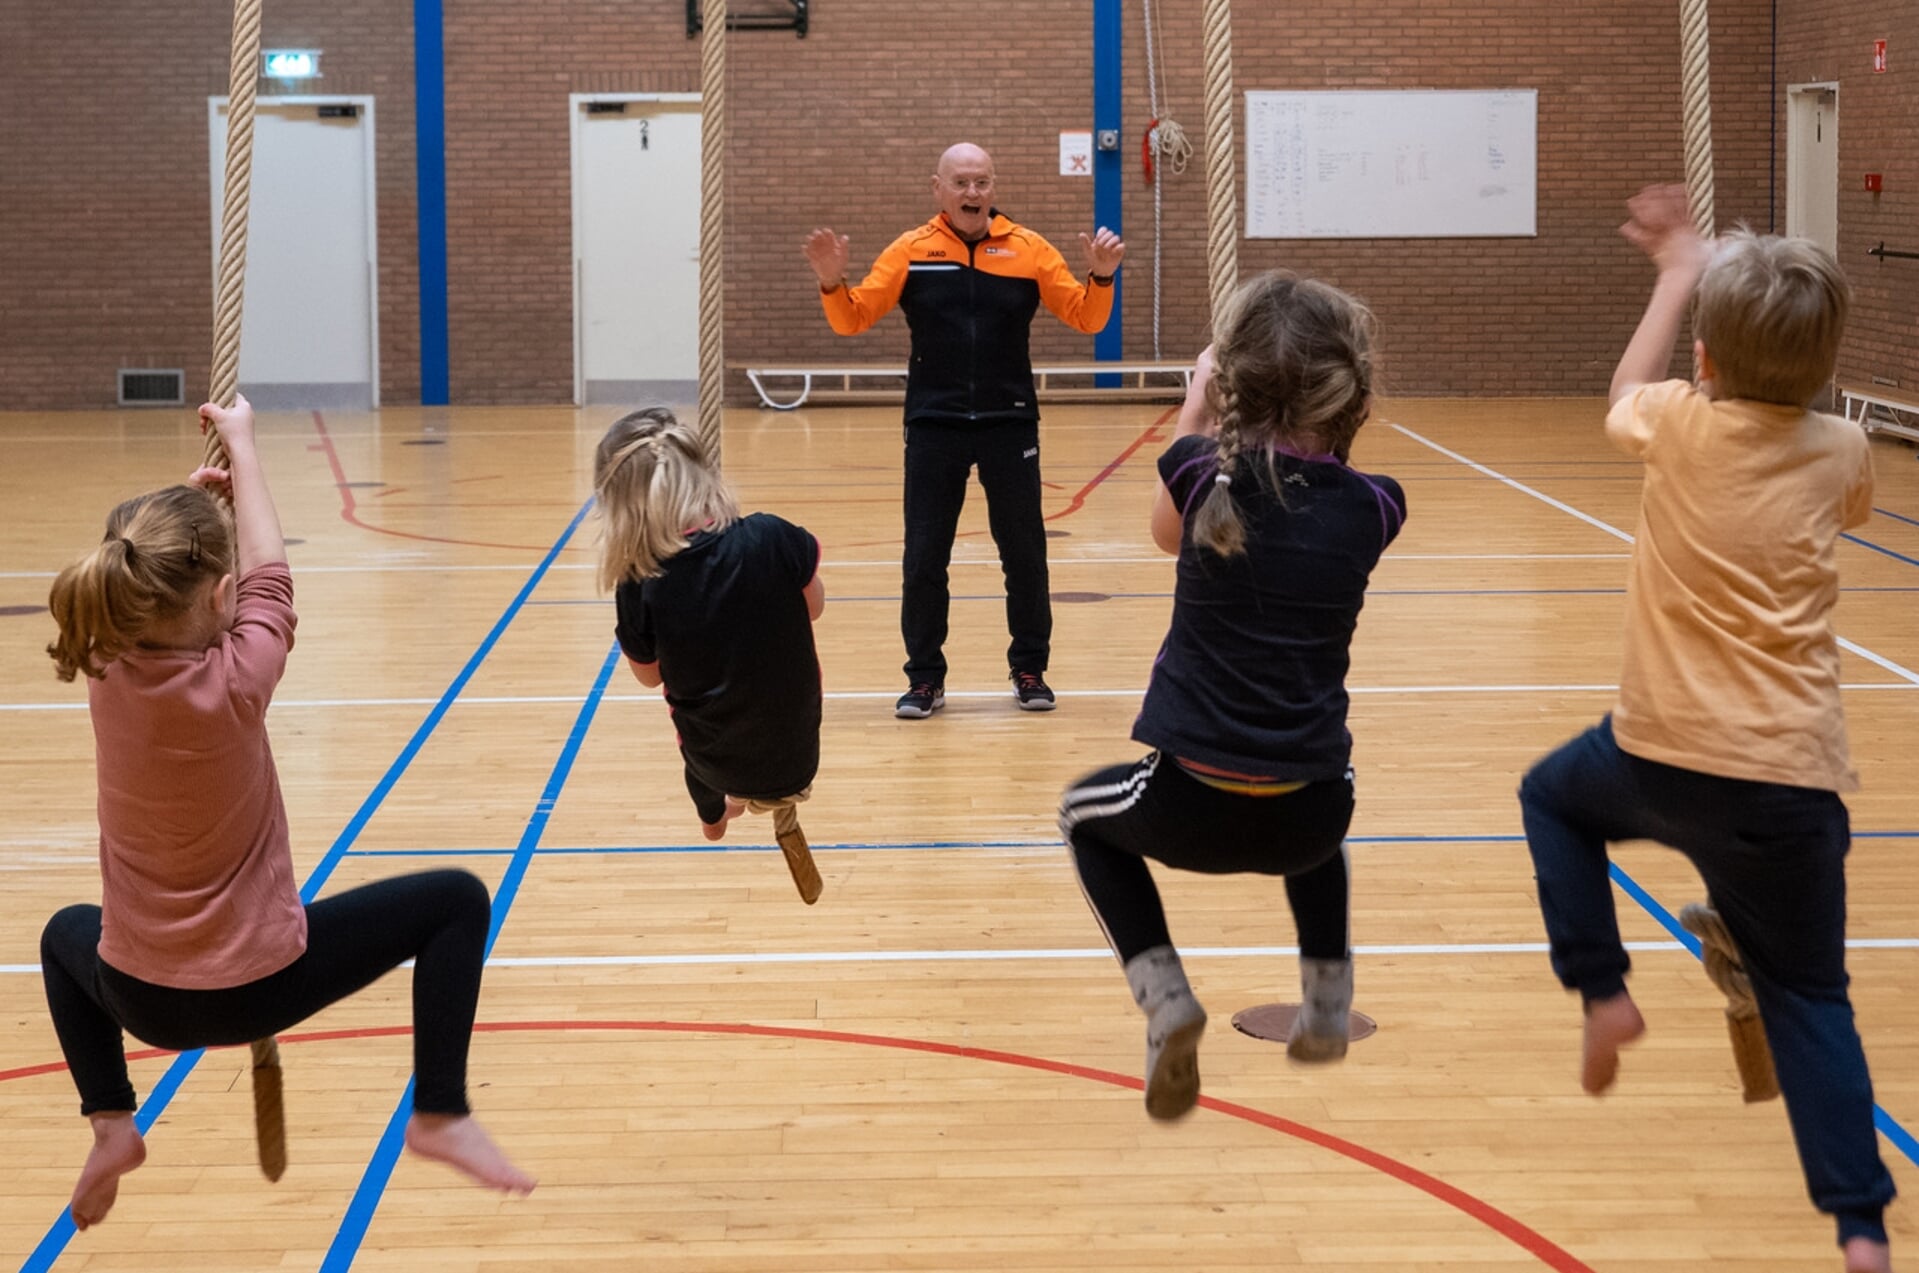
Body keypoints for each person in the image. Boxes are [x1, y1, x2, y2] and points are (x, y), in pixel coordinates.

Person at [39, 394, 534, 1232]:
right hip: (259, 989)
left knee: (62, 933)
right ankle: (440, 1109)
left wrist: (192, 513)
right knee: (455, 900)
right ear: (222, 595)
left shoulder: (102, 659)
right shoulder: (237, 681)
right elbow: (272, 576)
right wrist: (244, 442)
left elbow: (167, 574)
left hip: (138, 996)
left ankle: (112, 1118)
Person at [1516, 184, 1893, 1273]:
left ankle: (1600, 988)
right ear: (1821, 366)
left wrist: (1676, 268)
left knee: (1550, 797)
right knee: (1809, 996)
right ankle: (1859, 1227)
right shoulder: (1837, 451)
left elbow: (1623, 390)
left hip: (1654, 755)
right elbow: (1843, 489)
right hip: (1784, 779)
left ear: (1708, 363)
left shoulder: (1677, 420)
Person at [1057, 271, 1406, 1120]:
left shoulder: (1196, 473)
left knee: (1082, 816)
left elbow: (1164, 530)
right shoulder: (1376, 506)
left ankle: (1165, 997)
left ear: (1233, 385)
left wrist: (1195, 409)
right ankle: (1326, 998)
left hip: (1189, 802)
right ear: (1349, 391)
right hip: (1308, 812)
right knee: (1327, 802)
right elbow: (1315, 490)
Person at [803, 141, 1125, 718]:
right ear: (939, 188)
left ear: (993, 188)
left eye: (982, 182)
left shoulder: (1028, 249)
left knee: (1024, 555)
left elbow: (1085, 316)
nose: (972, 193)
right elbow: (852, 319)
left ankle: (1030, 669)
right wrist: (832, 282)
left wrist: (1100, 277)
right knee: (925, 556)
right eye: (961, 183)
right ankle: (924, 678)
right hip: (935, 423)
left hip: (1009, 422)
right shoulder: (911, 251)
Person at [594, 407, 825, 840]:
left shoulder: (640, 579)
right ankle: (740, 794)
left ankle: (713, 815)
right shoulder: (771, 536)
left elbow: (648, 677)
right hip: (797, 753)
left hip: (715, 761)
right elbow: (814, 607)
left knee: (695, 716)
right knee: (754, 693)